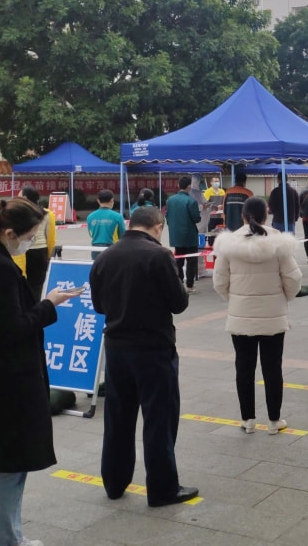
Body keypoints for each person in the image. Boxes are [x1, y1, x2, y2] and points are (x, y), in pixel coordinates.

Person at [0, 196, 75, 546]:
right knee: (8, 466)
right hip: (5, 384)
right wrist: (49, 305)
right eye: (30, 235)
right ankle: (5, 539)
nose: (30, 241)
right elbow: (14, 329)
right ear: (9, 232)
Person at [90, 206, 197, 507]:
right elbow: (178, 304)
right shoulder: (160, 256)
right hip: (153, 349)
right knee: (158, 420)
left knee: (118, 418)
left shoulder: (106, 256)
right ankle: (162, 488)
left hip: (116, 348)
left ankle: (114, 482)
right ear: (157, 226)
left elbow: (99, 306)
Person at [213, 197, 302, 434]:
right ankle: (274, 421)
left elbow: (219, 281)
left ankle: (248, 420)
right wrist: (284, 298)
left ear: (243, 216)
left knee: (244, 368)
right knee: (273, 368)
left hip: (240, 316)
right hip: (274, 315)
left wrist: (234, 300)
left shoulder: (228, 245)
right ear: (266, 215)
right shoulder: (279, 244)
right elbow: (294, 279)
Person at [13, 186, 57, 303]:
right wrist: (50, 255)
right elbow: (51, 237)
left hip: (21, 252)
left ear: (25, 197)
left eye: (19, 195)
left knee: (21, 283)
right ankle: (35, 308)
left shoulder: (18, 213)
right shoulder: (48, 214)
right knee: (37, 285)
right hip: (40, 252)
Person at [165, 176, 202, 294]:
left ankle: (179, 283)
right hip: (189, 235)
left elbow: (167, 216)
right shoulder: (191, 201)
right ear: (189, 186)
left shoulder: (170, 200)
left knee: (178, 260)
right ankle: (190, 285)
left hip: (176, 235)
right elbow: (196, 218)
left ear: (178, 185)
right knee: (191, 261)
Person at [87, 189, 125, 259]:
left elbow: (90, 233)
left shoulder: (90, 216)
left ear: (98, 200)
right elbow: (122, 235)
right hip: (112, 248)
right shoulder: (117, 216)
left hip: (95, 249)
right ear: (112, 200)